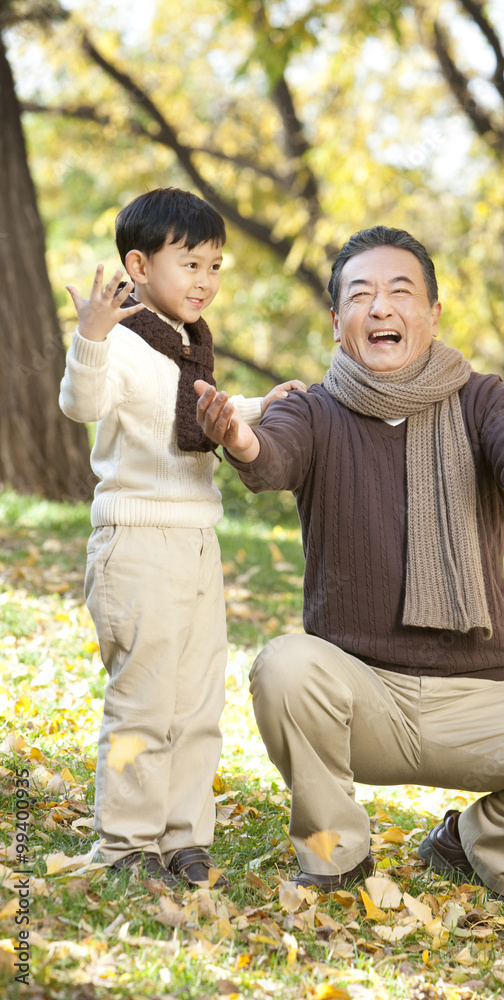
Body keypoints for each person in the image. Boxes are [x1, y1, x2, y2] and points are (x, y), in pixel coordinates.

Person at [194, 226, 504, 902]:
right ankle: (332, 857)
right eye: (360, 295)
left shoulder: (483, 398)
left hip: (478, 700)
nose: (380, 308)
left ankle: (473, 842)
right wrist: (239, 439)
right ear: (338, 320)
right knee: (284, 664)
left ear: (431, 315)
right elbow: (270, 459)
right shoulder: (312, 410)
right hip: (363, 697)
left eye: (399, 292)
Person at [59, 187, 305, 890]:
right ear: (137, 266)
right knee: (144, 700)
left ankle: (183, 838)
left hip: (197, 545)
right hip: (136, 547)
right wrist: (92, 336)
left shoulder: (189, 349)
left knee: (197, 700)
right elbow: (83, 404)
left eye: (215, 267)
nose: (205, 280)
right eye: (190, 263)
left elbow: (197, 415)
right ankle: (126, 844)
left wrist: (264, 407)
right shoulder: (123, 343)